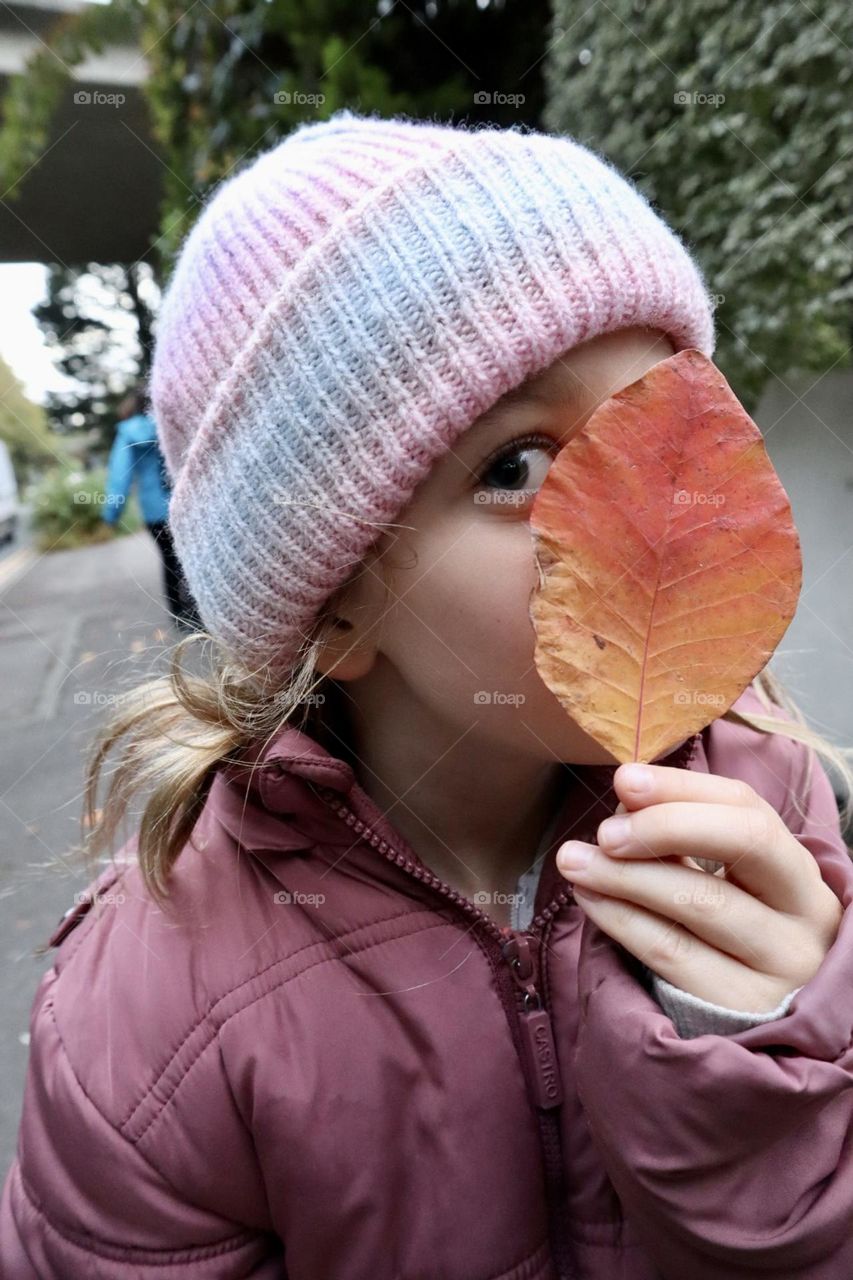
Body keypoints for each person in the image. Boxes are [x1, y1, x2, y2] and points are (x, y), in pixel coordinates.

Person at [2, 110, 853, 1279]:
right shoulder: (153, 1016)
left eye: (664, 429)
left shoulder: (778, 812)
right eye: (518, 466)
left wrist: (766, 1054)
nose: (651, 519)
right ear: (338, 611)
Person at [102, 386, 201, 630]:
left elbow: (119, 477)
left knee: (169, 560)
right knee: (192, 558)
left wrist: (111, 514)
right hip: (187, 505)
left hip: (155, 510)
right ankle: (201, 608)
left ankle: (180, 615)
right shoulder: (177, 422)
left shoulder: (128, 434)